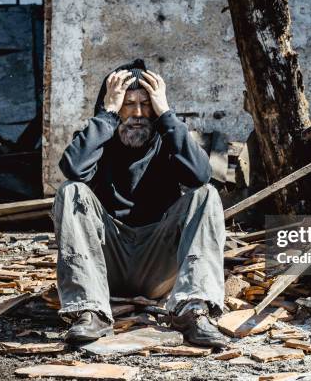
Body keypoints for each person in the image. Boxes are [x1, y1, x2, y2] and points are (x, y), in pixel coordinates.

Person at [52, 58, 228, 348]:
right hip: (108, 264)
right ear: (112, 105)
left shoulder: (167, 138)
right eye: (127, 103)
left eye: (145, 104)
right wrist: (106, 116)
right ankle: (90, 312)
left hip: (157, 262)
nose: (136, 113)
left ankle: (193, 311)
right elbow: (73, 169)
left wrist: (166, 114)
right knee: (72, 191)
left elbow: (200, 175)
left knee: (205, 194)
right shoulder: (98, 137)